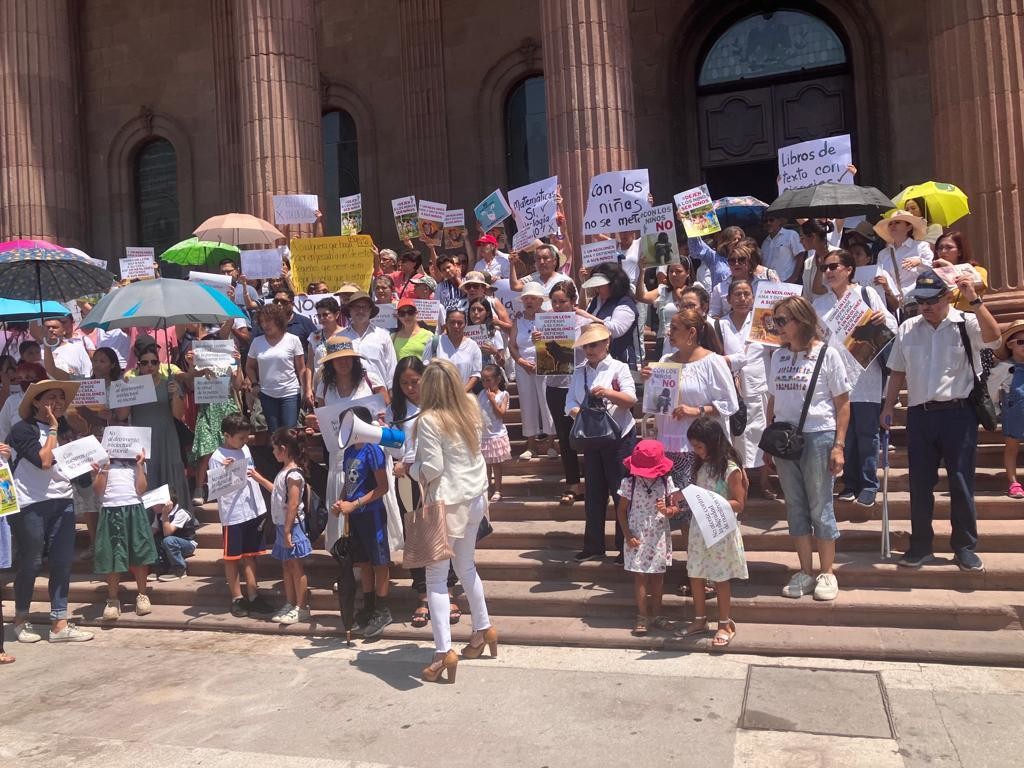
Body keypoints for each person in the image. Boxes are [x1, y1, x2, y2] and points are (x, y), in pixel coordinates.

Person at [880, 269, 1001, 571]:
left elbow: (995, 338)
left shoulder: (966, 322)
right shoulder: (908, 328)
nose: (926, 307)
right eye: (921, 301)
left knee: (961, 482)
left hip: (958, 414)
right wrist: (887, 405)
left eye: (932, 300)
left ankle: (964, 546)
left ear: (947, 297)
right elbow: (897, 370)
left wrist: (975, 300)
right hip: (920, 416)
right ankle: (920, 546)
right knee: (920, 485)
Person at [409, 359, 494, 684]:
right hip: (474, 496)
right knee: (466, 566)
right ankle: (483, 630)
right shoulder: (470, 404)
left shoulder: (429, 419)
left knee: (436, 579)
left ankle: (443, 652)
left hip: (448, 500)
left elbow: (431, 469)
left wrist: (409, 470)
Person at [767, 296, 851, 601]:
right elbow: (773, 400)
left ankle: (827, 572)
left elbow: (842, 404)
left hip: (818, 435)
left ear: (800, 321)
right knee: (795, 507)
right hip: (785, 438)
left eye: (781, 321)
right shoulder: (777, 357)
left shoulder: (827, 354)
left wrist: (839, 445)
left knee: (820, 505)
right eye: (774, 321)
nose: (776, 327)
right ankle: (805, 569)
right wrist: (769, 436)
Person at [9, 379, 94, 643]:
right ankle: (21, 618)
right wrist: (54, 429)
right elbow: (44, 461)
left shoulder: (66, 431)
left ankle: (59, 622)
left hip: (63, 502)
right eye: (51, 398)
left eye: (60, 398)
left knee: (61, 561)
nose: (56, 403)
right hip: (30, 503)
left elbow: (81, 477)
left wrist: (93, 466)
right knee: (31, 561)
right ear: (36, 401)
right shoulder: (23, 430)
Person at [812, 249, 897, 507]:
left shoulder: (866, 294)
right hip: (835, 379)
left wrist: (883, 318)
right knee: (843, 435)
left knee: (866, 433)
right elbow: (816, 340)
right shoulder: (819, 305)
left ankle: (869, 483)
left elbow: (892, 326)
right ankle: (849, 483)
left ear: (849, 269)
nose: (828, 272)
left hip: (866, 376)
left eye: (833, 266)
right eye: (824, 267)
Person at [387, 357, 462, 628]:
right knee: (416, 535)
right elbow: (393, 447)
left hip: (437, 478)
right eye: (404, 383)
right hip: (407, 479)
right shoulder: (393, 410)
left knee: (441, 532)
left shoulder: (438, 405)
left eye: (415, 382)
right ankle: (422, 594)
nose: (410, 388)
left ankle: (449, 591)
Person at [645, 309, 737, 529]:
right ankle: (688, 560)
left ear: (692, 332)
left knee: (700, 509)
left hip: (699, 449)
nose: (669, 333)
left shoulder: (713, 362)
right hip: (670, 446)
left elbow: (730, 403)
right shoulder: (666, 361)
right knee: (676, 508)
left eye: (675, 328)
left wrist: (696, 411)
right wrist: (649, 380)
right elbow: (656, 403)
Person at [566, 323, 638, 563]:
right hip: (592, 437)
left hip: (619, 437)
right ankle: (594, 544)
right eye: (586, 345)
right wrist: (586, 416)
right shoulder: (579, 371)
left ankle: (623, 544)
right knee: (594, 492)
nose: (589, 350)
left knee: (621, 492)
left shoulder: (619, 367)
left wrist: (607, 394)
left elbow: (630, 399)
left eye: (594, 344)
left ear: (606, 343)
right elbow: (569, 405)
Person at [679, 417, 749, 647]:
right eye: (694, 447)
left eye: (700, 446)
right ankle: (700, 619)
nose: (697, 452)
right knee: (696, 572)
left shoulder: (730, 469)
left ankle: (724, 622)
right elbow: (698, 493)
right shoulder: (701, 465)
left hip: (721, 529)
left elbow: (739, 503)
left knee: (720, 576)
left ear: (713, 442)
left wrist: (711, 501)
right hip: (700, 528)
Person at [330, 406, 392, 639]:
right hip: (354, 516)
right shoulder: (348, 453)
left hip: (371, 513)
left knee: (379, 561)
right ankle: (368, 606)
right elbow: (349, 482)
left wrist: (355, 504)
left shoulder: (372, 450)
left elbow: (382, 487)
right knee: (364, 562)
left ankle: (383, 608)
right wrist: (341, 501)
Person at [210, 414, 276, 618]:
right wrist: (225, 471)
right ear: (227, 436)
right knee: (232, 558)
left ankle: (254, 594)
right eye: (240, 438)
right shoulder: (217, 457)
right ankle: (237, 597)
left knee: (251, 555)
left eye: (246, 438)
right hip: (233, 513)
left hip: (252, 509)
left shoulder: (245, 449)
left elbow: (251, 471)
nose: (244, 442)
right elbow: (216, 489)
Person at [715, 280, 775, 498]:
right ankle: (739, 485)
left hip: (760, 386)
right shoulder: (719, 325)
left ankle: (765, 481)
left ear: (753, 298)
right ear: (729, 299)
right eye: (737, 294)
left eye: (746, 294)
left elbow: (776, 351)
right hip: (732, 390)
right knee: (736, 438)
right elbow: (714, 357)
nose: (742, 299)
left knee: (762, 434)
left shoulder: (764, 323)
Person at [615, 440, 680, 636]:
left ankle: (657, 614)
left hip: (658, 534)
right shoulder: (629, 483)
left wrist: (667, 510)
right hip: (637, 534)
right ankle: (643, 615)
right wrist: (627, 535)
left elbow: (675, 508)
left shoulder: (666, 482)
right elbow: (621, 510)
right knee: (640, 576)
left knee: (658, 577)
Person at [252, 428, 312, 625]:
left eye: (275, 448)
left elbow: (293, 504)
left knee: (295, 565)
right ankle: (290, 601)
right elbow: (278, 492)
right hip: (281, 525)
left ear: (284, 449)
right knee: (287, 565)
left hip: (291, 526)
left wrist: (287, 531)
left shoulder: (294, 474)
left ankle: (301, 607)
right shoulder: (283, 472)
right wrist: (259, 478)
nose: (272, 452)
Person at [544, 280, 594, 505]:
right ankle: (573, 483)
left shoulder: (583, 322)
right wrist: (538, 342)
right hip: (555, 385)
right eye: (554, 301)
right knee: (565, 438)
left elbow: (605, 330)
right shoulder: (544, 323)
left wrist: (583, 314)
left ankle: (593, 481)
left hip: (579, 386)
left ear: (573, 301)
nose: (557, 306)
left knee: (587, 435)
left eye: (562, 301)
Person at [92, 450, 155, 621]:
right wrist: (104, 467)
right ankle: (112, 600)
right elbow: (97, 490)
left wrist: (140, 465)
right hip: (110, 510)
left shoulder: (136, 462)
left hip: (134, 507)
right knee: (111, 553)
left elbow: (141, 489)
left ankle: (142, 595)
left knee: (139, 550)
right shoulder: (101, 462)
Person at [130, 344, 190, 507]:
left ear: (159, 364)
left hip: (165, 436)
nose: (150, 366)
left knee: (169, 473)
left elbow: (179, 415)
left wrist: (175, 394)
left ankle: (175, 517)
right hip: (141, 438)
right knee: (147, 474)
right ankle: (148, 521)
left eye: (154, 362)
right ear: (139, 365)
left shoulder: (169, 384)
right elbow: (122, 415)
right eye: (145, 363)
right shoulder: (132, 385)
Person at [508, 282, 555, 460]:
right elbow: (511, 345)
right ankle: (531, 445)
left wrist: (543, 342)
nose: (529, 301)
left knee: (546, 403)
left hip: (546, 365)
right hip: (523, 368)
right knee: (527, 404)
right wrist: (520, 361)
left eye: (533, 298)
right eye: (526, 298)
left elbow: (558, 344)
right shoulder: (517, 320)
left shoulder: (549, 318)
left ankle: (551, 444)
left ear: (540, 301)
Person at [245, 303, 306, 431]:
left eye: (268, 321)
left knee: (290, 432)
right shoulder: (257, 342)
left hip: (290, 392)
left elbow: (301, 368)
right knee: (274, 433)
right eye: (261, 321)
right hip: (267, 394)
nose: (264, 325)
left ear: (278, 320)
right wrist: (255, 383)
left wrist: (306, 390)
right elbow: (249, 366)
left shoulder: (293, 340)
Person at [582, 262, 641, 368]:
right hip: (595, 362)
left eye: (601, 285)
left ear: (614, 284)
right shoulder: (596, 301)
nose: (597, 288)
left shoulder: (625, 303)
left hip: (619, 361)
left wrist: (588, 318)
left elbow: (616, 330)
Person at [341, 290, 397, 396]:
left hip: (379, 395)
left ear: (370, 310)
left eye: (365, 307)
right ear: (350, 310)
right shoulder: (340, 337)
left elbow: (391, 368)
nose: (361, 311)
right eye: (357, 307)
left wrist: (392, 394)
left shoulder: (383, 335)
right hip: (348, 396)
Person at [873, 210, 934, 306]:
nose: (893, 226)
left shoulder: (921, 246)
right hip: (893, 303)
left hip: (917, 301)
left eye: (897, 222)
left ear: (909, 227)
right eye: (890, 224)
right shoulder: (883, 254)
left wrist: (920, 262)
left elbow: (933, 269)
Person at [636, 259, 692, 359]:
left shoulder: (695, 289)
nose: (674, 275)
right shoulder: (663, 290)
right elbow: (641, 297)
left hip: (687, 341)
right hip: (664, 340)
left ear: (687, 273)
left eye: (678, 271)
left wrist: (680, 296)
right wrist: (642, 272)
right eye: (671, 271)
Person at [709, 240, 778, 319]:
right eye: (732, 261)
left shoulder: (765, 284)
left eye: (741, 260)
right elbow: (713, 315)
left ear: (749, 262)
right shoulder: (719, 289)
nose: (736, 263)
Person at [423, 308, 482, 391]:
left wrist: (461, 394)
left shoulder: (473, 346)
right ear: (446, 323)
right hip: (439, 397)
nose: (456, 326)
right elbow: (425, 368)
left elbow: (475, 374)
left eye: (460, 323)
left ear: (465, 324)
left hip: (463, 398)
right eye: (452, 322)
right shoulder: (435, 342)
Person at [933, 231, 988, 313]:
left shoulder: (978, 270)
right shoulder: (933, 274)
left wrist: (949, 267)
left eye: (949, 247)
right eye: (940, 248)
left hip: (967, 318)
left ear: (960, 252)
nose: (943, 251)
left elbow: (976, 284)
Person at [478, 363, 511, 501]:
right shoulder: (481, 394)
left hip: (496, 435)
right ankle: (487, 488)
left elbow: (501, 413)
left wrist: (492, 400)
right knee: (485, 465)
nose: (485, 383)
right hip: (483, 435)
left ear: (497, 380)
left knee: (496, 464)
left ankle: (498, 489)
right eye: (483, 380)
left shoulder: (503, 395)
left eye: (488, 380)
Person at [150, 489, 197, 581]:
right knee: (155, 539)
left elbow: (168, 533)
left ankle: (179, 569)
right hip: (169, 545)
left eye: (156, 503)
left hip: (187, 544)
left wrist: (165, 514)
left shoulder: (181, 513)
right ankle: (161, 567)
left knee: (168, 540)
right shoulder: (158, 515)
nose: (152, 506)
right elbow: (153, 530)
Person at [303, 296, 343, 403]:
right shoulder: (314, 336)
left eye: (325, 314)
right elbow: (310, 365)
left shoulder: (346, 334)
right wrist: (308, 389)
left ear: (336, 314)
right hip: (320, 386)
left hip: (342, 386)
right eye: (319, 315)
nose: (321, 319)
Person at [466, 297, 506, 369]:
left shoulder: (494, 333)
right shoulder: (464, 334)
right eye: (472, 309)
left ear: (487, 313)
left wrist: (495, 353)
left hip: (489, 376)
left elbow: (502, 363)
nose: (475, 312)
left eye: (480, 310)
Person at [761, 214, 802, 282]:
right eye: (765, 221)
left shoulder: (791, 235)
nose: (768, 223)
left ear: (779, 221)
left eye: (771, 220)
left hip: (786, 281)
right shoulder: (765, 242)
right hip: (768, 284)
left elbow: (800, 255)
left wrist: (794, 277)